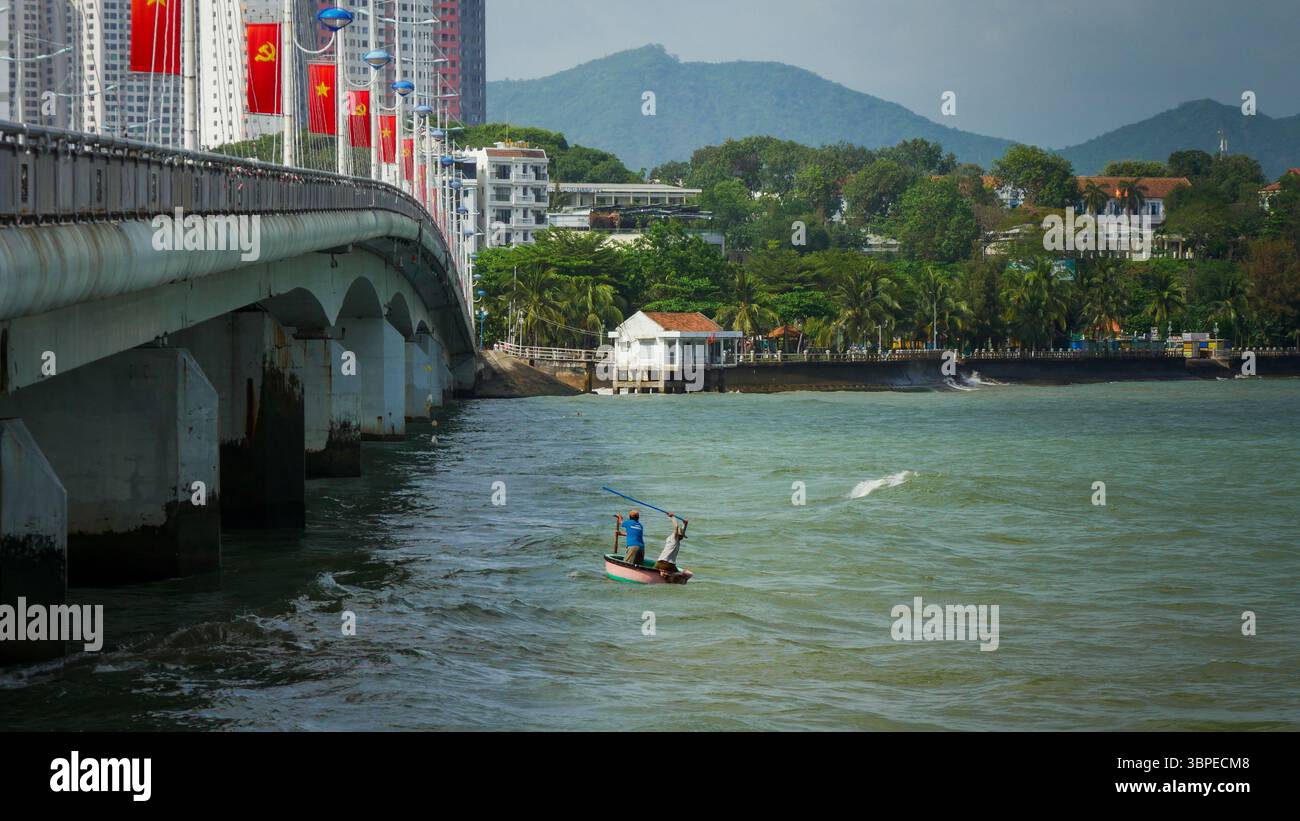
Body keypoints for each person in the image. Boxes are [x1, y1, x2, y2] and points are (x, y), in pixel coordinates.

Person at [655, 512, 688, 576]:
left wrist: (685, 524)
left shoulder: (672, 538)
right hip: (669, 565)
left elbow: (680, 530)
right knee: (681, 574)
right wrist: (672, 517)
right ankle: (666, 575)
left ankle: (663, 573)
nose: (682, 537)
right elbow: (676, 526)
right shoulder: (675, 539)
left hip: (659, 563)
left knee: (655, 568)